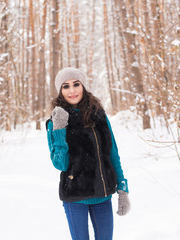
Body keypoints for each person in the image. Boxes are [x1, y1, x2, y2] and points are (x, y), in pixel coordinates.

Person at [46, 67, 131, 240]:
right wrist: (60, 129)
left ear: (83, 86)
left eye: (76, 84)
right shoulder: (56, 121)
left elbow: (113, 153)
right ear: (60, 91)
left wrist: (123, 188)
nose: (72, 90)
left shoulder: (98, 115)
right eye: (66, 86)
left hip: (102, 194)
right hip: (75, 197)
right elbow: (60, 164)